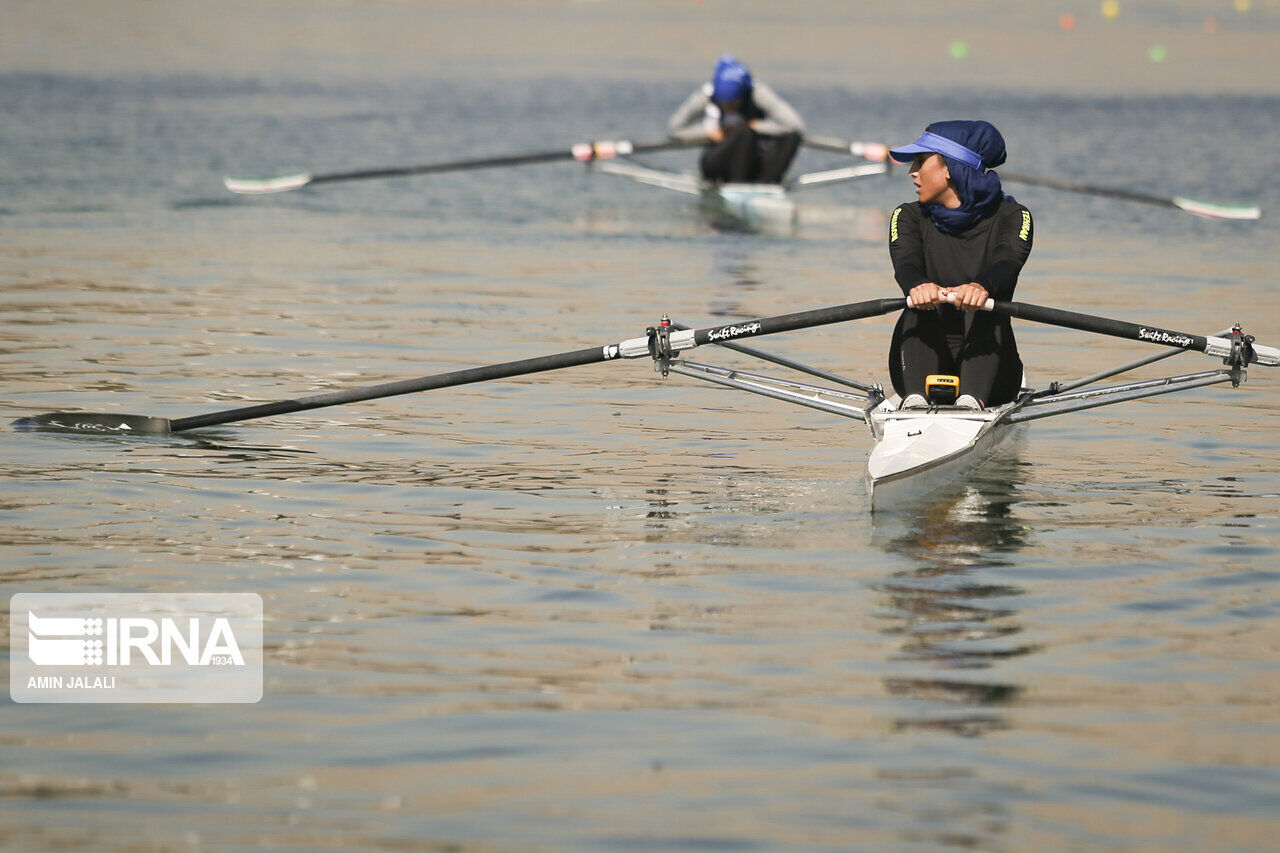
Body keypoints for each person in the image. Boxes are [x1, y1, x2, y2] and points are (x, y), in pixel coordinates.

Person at [885, 120, 1033, 410]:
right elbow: (905, 265)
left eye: (920, 161)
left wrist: (982, 287)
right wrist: (917, 286)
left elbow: (1008, 262)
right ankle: (915, 403)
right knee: (918, 308)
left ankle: (972, 400)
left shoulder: (1014, 217)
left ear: (949, 168)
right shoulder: (907, 216)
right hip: (918, 357)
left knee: (986, 310)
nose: (912, 172)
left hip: (995, 369)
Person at [667, 55, 805, 185]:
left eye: (733, 103)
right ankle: (738, 188)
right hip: (717, 160)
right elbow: (675, 129)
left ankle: (767, 187)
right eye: (724, 103)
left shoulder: (757, 92)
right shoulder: (706, 94)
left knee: (791, 137)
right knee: (744, 134)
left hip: (754, 158)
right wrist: (709, 133)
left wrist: (754, 125)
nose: (728, 107)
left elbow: (795, 125)